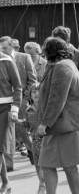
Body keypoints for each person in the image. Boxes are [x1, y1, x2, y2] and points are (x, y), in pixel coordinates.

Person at [37, 37, 79, 194]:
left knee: (66, 166)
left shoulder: (62, 67)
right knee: (51, 165)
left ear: (49, 52)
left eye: (44, 50)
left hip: (65, 124)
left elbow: (57, 98)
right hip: (61, 124)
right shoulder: (62, 65)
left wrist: (45, 123)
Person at [0, 36, 37, 171]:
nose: (3, 50)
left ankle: (32, 150)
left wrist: (25, 98)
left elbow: (32, 80)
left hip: (21, 98)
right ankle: (9, 164)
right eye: (1, 48)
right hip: (5, 101)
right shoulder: (2, 60)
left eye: (5, 48)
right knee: (10, 132)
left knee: (19, 129)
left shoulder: (24, 57)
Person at [0, 51, 21, 193]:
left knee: (0, 147)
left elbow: (18, 86)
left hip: (5, 109)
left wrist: (15, 109)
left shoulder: (6, 61)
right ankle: (6, 182)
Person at [51, 27, 79, 101]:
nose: (56, 43)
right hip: (56, 98)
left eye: (59, 41)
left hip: (74, 98)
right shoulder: (53, 55)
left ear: (67, 40)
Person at [21, 85, 45, 194]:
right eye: (33, 92)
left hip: (46, 141)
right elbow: (27, 125)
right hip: (34, 142)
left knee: (46, 167)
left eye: (38, 91)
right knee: (37, 166)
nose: (35, 93)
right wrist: (18, 121)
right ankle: (41, 184)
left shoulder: (45, 108)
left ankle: (44, 186)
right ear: (30, 96)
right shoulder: (28, 110)